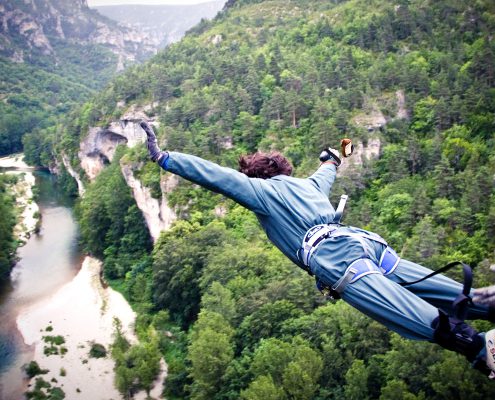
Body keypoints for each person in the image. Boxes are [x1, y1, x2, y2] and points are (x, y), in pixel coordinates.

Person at [140, 120, 495, 378]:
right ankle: (487, 305)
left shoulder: (260, 191)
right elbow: (330, 164)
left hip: (337, 260)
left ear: (257, 176)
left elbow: (216, 176)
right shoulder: (311, 185)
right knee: (445, 292)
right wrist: (340, 150)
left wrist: (164, 157)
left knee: (407, 313)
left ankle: (480, 349)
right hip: (366, 243)